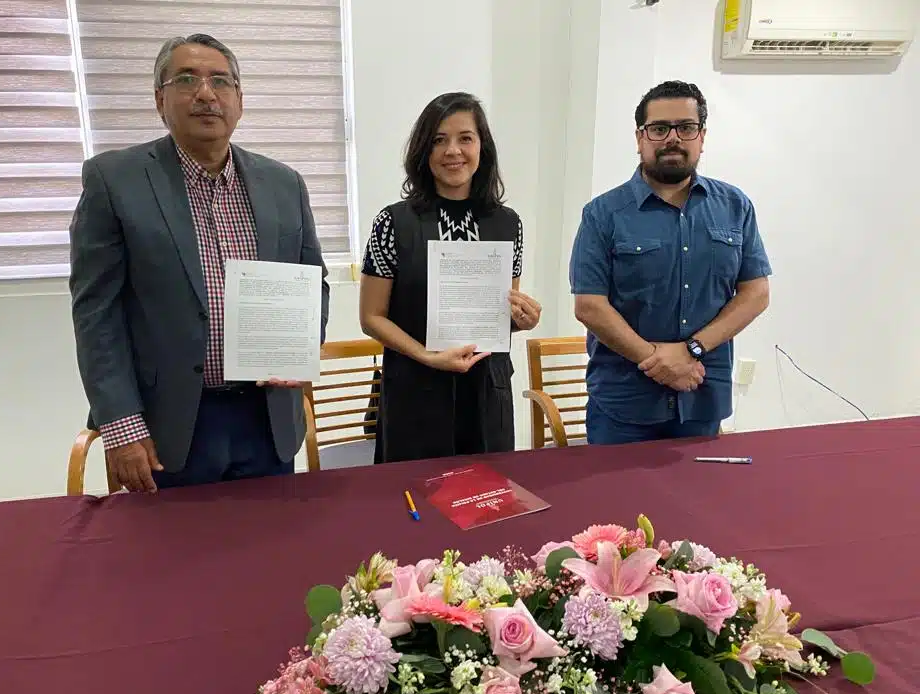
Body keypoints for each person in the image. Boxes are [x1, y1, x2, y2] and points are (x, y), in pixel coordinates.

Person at [69, 33, 329, 492]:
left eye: (221, 81)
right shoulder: (115, 181)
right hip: (167, 427)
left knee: (271, 555)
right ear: (159, 99)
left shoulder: (284, 183)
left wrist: (301, 346)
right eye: (187, 79)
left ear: (240, 101)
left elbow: (313, 283)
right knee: (173, 559)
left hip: (267, 419)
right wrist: (121, 427)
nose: (206, 94)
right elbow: (96, 314)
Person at [570, 80, 771, 445]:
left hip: (703, 397)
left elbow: (755, 293)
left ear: (702, 136)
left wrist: (690, 350)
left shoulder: (735, 206)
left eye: (686, 127)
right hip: (624, 406)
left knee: (698, 500)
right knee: (619, 502)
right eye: (659, 129)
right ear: (640, 138)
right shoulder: (603, 214)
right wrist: (659, 362)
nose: (672, 138)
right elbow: (589, 306)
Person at [359, 92, 542, 463]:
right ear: (423, 151)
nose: (452, 151)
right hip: (415, 390)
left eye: (465, 138)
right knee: (415, 505)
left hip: (487, 391)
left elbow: (501, 314)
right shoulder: (394, 223)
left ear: (482, 147)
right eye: (439, 140)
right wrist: (427, 356)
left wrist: (523, 320)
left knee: (489, 501)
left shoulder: (508, 224)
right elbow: (371, 317)